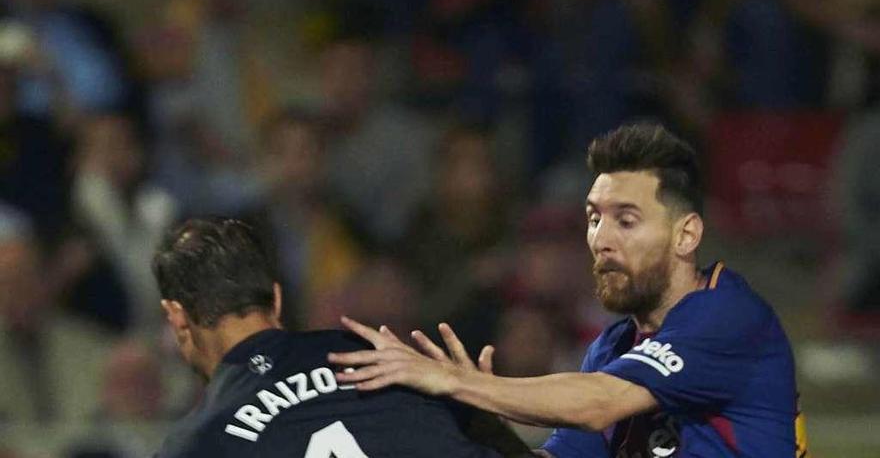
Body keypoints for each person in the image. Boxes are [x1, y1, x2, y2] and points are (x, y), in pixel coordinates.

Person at [330, 124, 810, 457]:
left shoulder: (727, 316)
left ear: (686, 235)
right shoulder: (613, 347)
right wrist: (478, 418)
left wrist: (459, 382)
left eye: (626, 219)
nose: (601, 239)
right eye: (594, 218)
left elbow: (599, 403)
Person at [151, 217, 529, 457]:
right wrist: (478, 403)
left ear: (178, 318)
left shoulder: (194, 445)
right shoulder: (384, 359)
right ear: (277, 298)